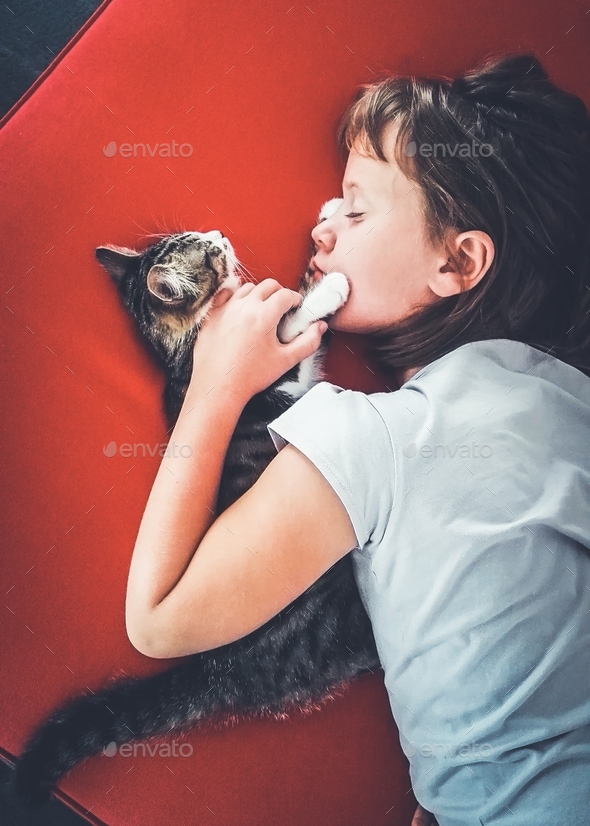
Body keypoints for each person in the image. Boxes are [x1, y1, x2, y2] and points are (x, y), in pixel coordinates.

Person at [124, 52, 590, 826]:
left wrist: (215, 383)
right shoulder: (565, 400)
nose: (321, 222)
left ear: (458, 261)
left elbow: (160, 616)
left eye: (357, 208)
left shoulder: (378, 438)